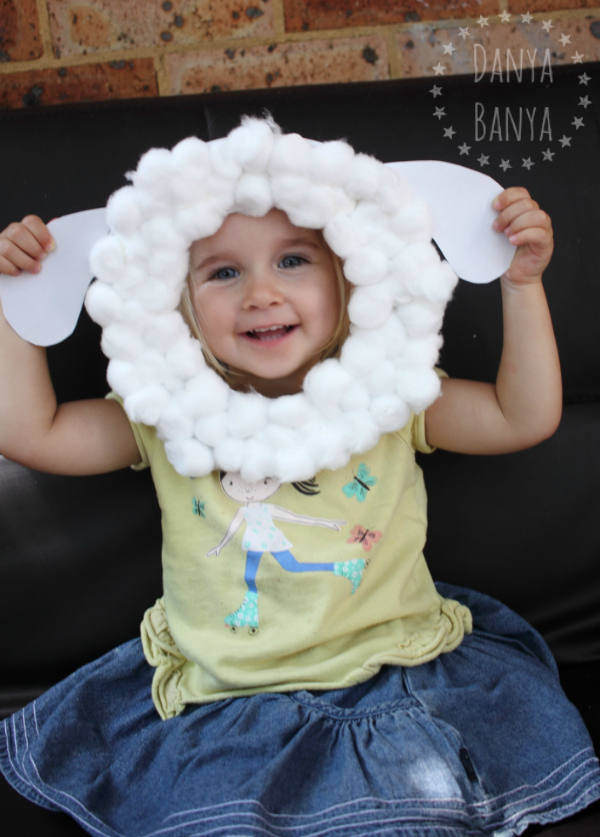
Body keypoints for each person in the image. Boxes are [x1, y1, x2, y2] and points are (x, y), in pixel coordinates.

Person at [0, 120, 598, 837]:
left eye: (293, 260)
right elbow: (30, 433)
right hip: (227, 695)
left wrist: (522, 284)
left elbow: (519, 416)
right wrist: (16, 302)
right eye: (223, 271)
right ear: (178, 304)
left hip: (391, 674)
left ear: (349, 278)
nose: (260, 293)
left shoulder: (388, 395)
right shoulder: (163, 414)